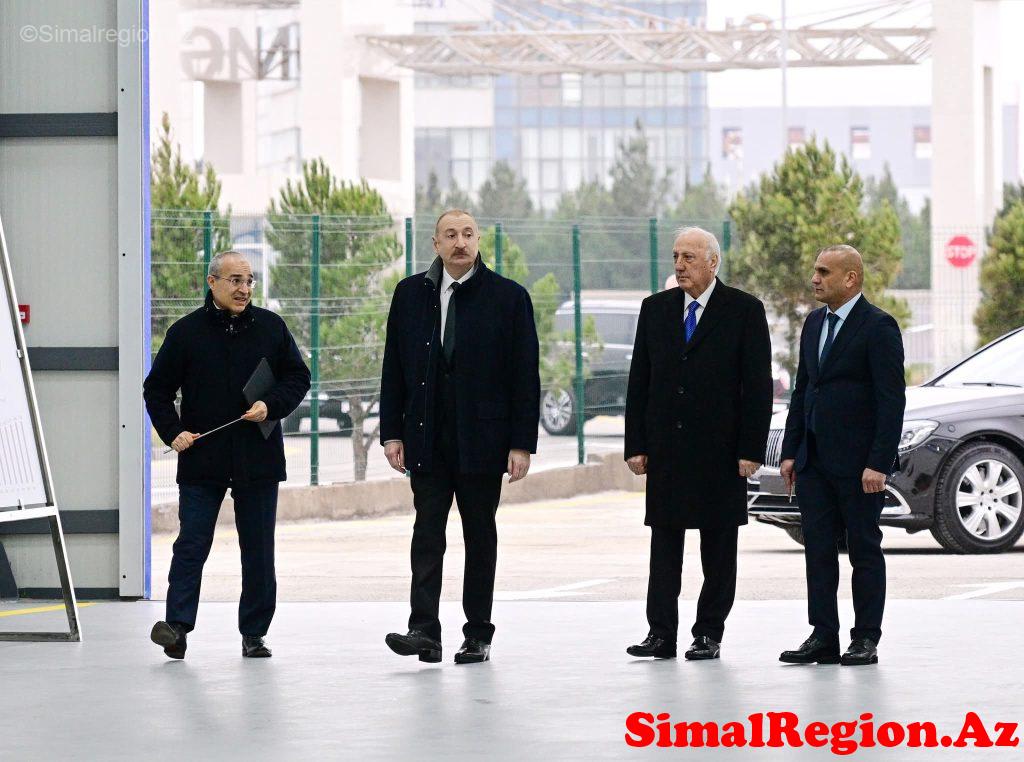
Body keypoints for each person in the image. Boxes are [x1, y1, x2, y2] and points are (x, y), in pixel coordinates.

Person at [379, 209, 540, 664]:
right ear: (436, 244)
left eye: (468, 234)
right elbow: (394, 367)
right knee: (427, 534)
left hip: (484, 441)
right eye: (450, 235)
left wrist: (521, 443)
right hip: (426, 438)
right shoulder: (410, 294)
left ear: (478, 240)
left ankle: (478, 634)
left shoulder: (509, 297)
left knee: (479, 537)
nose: (460, 242)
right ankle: (423, 631)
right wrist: (392, 433)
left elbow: (525, 376)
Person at [143, 251, 310, 660]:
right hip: (203, 459)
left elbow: (298, 377)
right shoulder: (185, 333)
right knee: (191, 545)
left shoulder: (271, 327)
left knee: (258, 550)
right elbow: (157, 390)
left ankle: (254, 633)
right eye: (235, 280)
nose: (244, 289)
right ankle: (176, 628)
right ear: (212, 282)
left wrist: (270, 404)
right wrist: (174, 432)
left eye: (249, 281)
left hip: (259, 457)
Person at [624, 227, 773, 661]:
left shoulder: (744, 310)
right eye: (676, 256)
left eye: (689, 257)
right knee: (664, 545)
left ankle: (708, 632)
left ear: (713, 262)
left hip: (721, 453)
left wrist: (751, 449)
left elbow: (757, 387)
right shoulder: (655, 309)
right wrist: (636, 443)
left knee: (719, 547)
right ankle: (660, 633)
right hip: (667, 450)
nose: (679, 265)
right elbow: (639, 381)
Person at [778, 244, 905, 667]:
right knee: (817, 551)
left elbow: (891, 401)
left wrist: (878, 463)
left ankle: (865, 637)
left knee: (863, 549)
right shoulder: (814, 323)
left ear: (850, 278)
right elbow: (803, 390)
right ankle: (823, 636)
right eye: (815, 271)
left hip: (859, 466)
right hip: (813, 462)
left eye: (823, 272)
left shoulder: (878, 326)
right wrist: (791, 451)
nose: (814, 279)